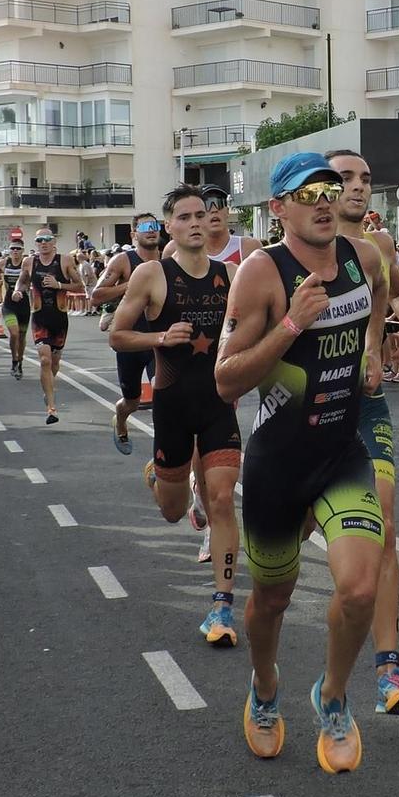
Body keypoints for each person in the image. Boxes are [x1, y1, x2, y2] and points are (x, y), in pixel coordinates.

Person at [216, 153, 390, 774]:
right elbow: (225, 382)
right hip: (278, 465)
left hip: (341, 453)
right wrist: (292, 323)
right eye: (307, 191)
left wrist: (375, 351)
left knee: (361, 588)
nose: (324, 199)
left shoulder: (363, 257)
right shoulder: (261, 274)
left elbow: (380, 298)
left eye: (332, 188)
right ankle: (264, 688)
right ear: (277, 208)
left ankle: (334, 697)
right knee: (271, 600)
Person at [112, 188, 243, 644]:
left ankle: (221, 609)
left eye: (201, 215)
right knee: (171, 511)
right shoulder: (152, 274)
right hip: (172, 406)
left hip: (217, 404)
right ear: (169, 226)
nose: (194, 222)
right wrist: (160, 338)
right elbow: (117, 334)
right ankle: (159, 475)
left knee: (222, 499)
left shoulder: (232, 275)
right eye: (184, 216)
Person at [327, 149, 399, 715]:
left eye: (366, 178)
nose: (358, 187)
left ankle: (389, 672)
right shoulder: (273, 259)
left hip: (366, 405)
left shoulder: (378, 249)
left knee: (386, 528)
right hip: (303, 415)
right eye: (346, 178)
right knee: (279, 571)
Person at [91, 214, 164, 448]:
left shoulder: (169, 259)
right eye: (144, 227)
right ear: (134, 234)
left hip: (158, 340)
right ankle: (120, 419)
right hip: (130, 339)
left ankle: (164, 453)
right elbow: (96, 296)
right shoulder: (123, 261)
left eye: (155, 226)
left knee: (164, 396)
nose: (151, 230)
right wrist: (132, 285)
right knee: (131, 402)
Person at [23, 231, 80, 425]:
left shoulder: (64, 261)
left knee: (54, 364)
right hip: (39, 318)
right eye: (39, 240)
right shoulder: (29, 262)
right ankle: (51, 408)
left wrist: (59, 285)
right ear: (36, 243)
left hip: (59, 319)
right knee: (45, 360)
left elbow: (80, 285)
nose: (43, 243)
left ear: (54, 241)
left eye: (47, 239)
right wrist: (16, 291)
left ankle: (48, 388)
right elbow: (23, 280)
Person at [0, 228, 31, 382]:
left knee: (22, 336)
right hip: (9, 303)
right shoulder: (4, 262)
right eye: (12, 249)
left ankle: (20, 362)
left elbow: (30, 279)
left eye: (18, 249)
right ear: (9, 251)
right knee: (14, 333)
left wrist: (26, 288)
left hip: (24, 304)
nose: (15, 251)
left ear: (22, 251)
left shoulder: (27, 263)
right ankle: (14, 361)